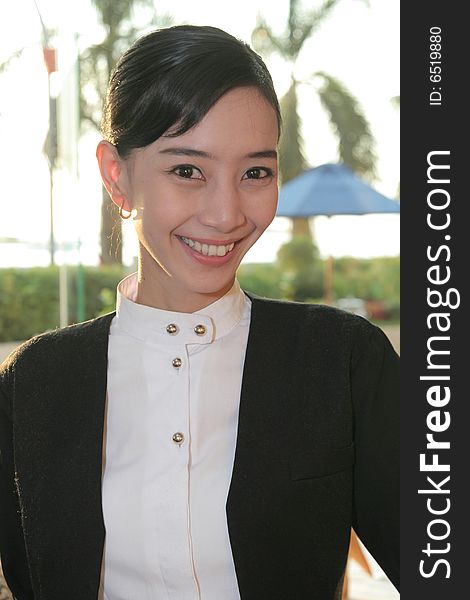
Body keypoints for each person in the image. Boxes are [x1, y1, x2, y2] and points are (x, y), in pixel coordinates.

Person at [0, 25, 399, 600]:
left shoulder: (340, 360)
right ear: (117, 175)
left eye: (255, 173)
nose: (226, 214)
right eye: (187, 170)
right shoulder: (34, 383)